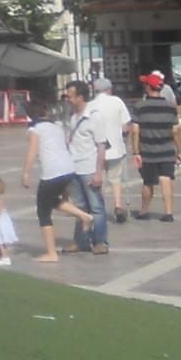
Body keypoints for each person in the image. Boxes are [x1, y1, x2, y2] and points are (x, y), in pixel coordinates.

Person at [21, 94, 95, 262]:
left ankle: (51, 253)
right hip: (68, 168)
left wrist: (26, 173)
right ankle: (84, 216)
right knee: (51, 200)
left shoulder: (35, 129)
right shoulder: (56, 127)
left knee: (43, 211)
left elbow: (32, 152)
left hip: (53, 171)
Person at [78, 76, 136, 251]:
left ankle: (100, 206)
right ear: (109, 89)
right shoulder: (117, 101)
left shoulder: (91, 105)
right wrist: (123, 134)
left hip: (97, 149)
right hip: (116, 147)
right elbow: (126, 125)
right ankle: (118, 205)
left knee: (100, 179)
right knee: (116, 178)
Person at [131, 70, 181, 222]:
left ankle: (144, 211)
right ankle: (168, 212)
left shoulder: (140, 106)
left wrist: (136, 152)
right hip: (167, 150)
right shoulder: (170, 107)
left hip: (147, 151)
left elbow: (135, 131)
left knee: (148, 182)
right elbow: (176, 132)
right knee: (166, 179)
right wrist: (180, 151)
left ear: (149, 87)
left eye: (145, 84)